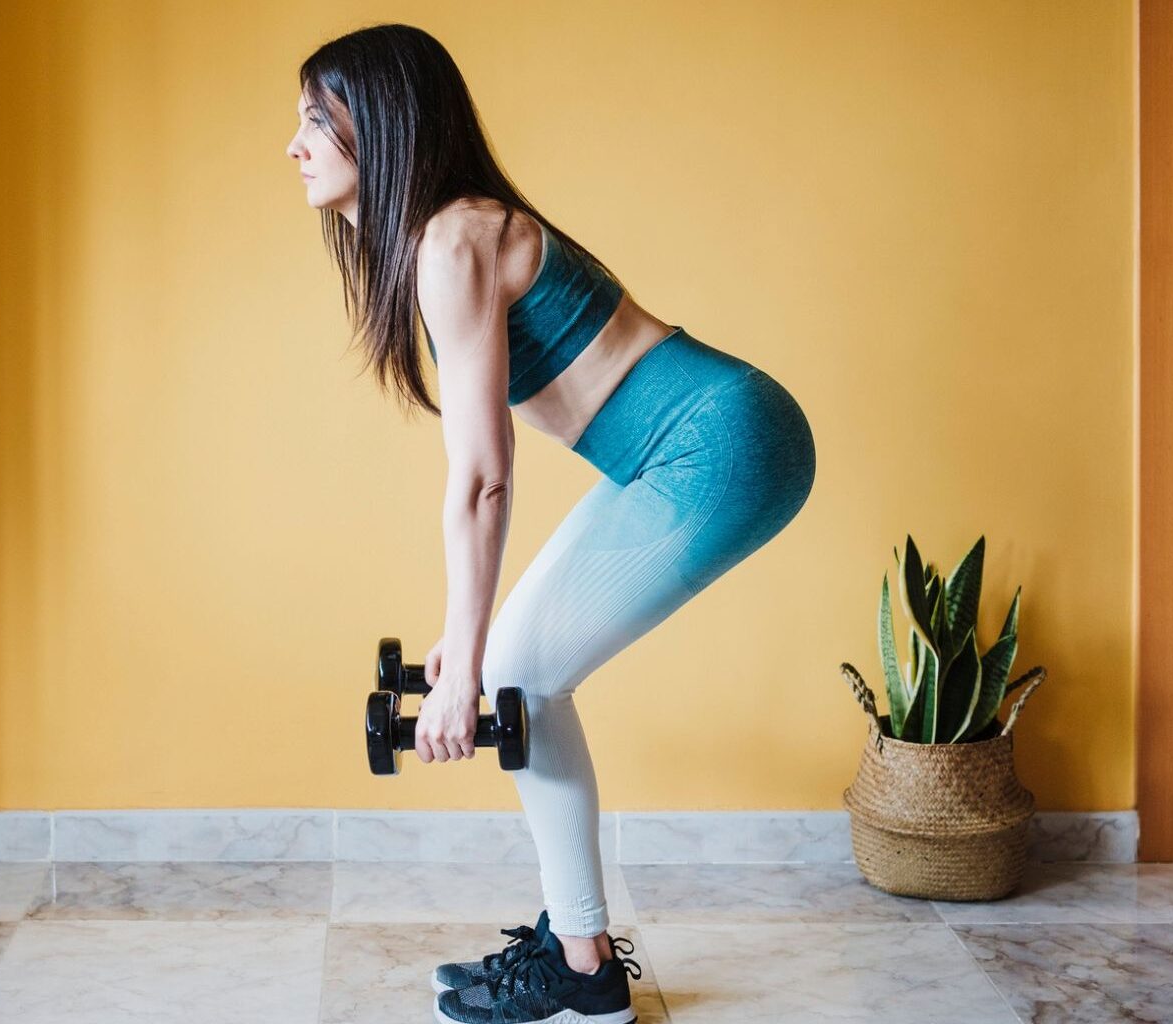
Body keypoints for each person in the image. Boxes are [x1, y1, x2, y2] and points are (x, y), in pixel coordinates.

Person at [288, 23, 816, 1024]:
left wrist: (476, 654)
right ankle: (576, 948)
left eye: (316, 118)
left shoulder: (454, 238)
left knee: (518, 673)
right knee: (512, 664)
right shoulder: (445, 236)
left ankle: (584, 971)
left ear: (382, 124)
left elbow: (485, 476)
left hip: (719, 444)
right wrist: (467, 639)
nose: (295, 144)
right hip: (689, 445)